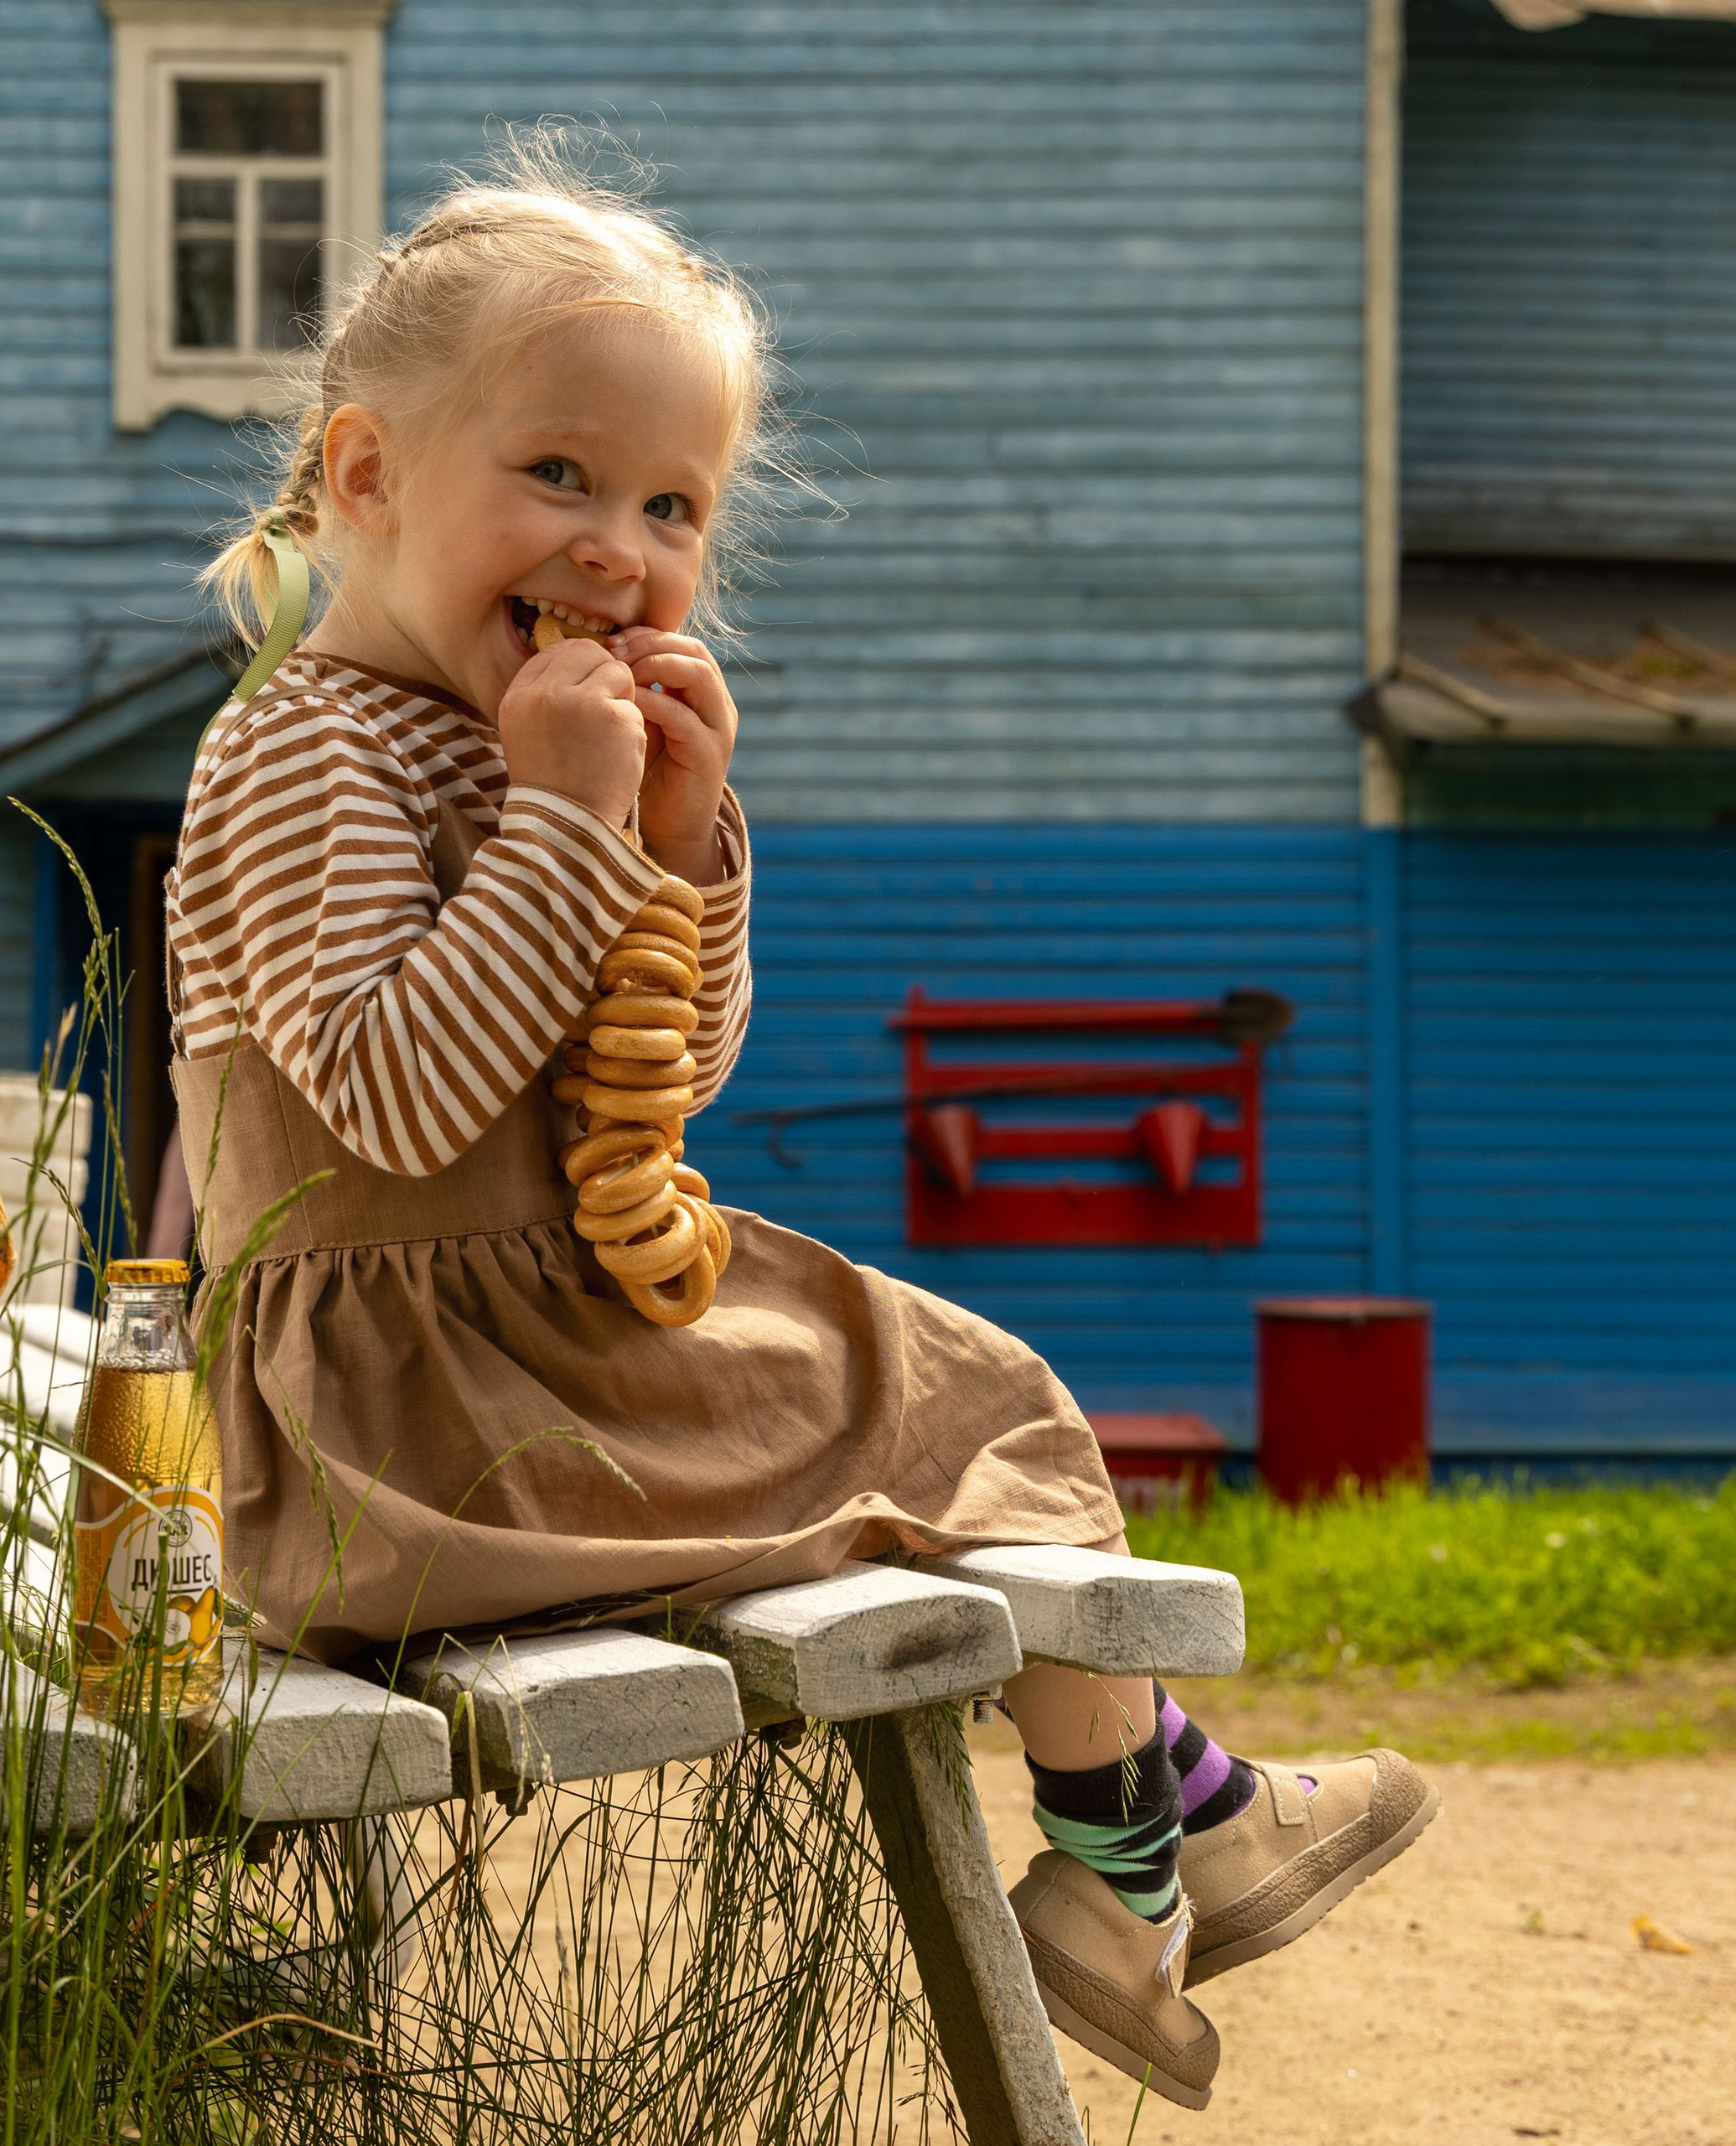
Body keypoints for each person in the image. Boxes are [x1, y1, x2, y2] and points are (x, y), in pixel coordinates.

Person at [164, 142, 1436, 2111]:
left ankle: (1157, 1833)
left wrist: (675, 834)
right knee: (957, 1392)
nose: (616, 546)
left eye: (671, 503)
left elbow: (661, 1084)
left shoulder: (514, 736)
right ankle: (1149, 1842)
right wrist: (572, 821)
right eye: (558, 474)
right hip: (410, 1420)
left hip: (512, 1357)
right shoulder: (302, 744)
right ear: (364, 478)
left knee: (949, 1368)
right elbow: (400, 1101)